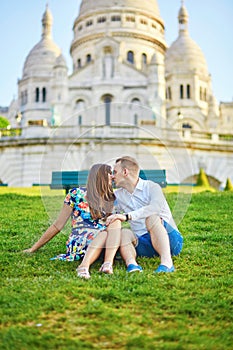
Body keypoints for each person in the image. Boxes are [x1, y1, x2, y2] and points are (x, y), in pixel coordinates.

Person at [24, 164, 121, 279]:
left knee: (116, 223)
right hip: (80, 240)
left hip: (104, 242)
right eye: (110, 173)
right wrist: (33, 248)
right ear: (100, 176)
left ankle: (107, 263)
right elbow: (58, 225)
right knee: (104, 233)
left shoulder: (112, 198)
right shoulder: (76, 194)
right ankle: (84, 267)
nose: (113, 177)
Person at [106, 156, 183, 273]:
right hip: (145, 244)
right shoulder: (118, 195)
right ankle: (132, 264)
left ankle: (167, 263)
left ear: (125, 172)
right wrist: (105, 187)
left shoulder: (152, 187)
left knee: (151, 218)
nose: (112, 176)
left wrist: (127, 216)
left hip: (170, 240)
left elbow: (154, 208)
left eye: (115, 172)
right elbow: (108, 215)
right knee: (124, 232)